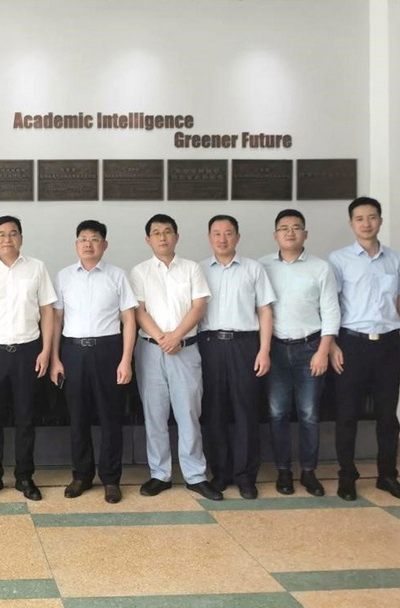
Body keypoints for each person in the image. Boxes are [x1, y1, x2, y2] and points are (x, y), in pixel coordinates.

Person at [329, 197, 400, 502]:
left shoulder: (397, 259)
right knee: (347, 414)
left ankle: (387, 476)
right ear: (351, 223)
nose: (366, 223)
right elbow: (331, 304)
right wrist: (332, 344)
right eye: (359, 218)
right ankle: (347, 476)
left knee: (387, 415)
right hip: (351, 344)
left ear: (380, 220)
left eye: (372, 217)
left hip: (389, 345)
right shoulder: (338, 260)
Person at [129, 214, 221, 501]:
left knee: (188, 413)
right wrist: (162, 338)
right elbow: (139, 311)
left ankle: (195, 475)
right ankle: (160, 474)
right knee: (154, 414)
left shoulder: (192, 268)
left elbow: (198, 307)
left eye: (167, 231)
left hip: (186, 349)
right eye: (156, 233)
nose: (162, 237)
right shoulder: (139, 271)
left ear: (176, 237)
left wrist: (176, 336)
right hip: (150, 350)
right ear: (148, 240)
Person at [0, 216, 57, 501]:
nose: (7, 239)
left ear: (21, 238)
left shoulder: (37, 268)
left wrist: (46, 350)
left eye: (13, 233)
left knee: (26, 418)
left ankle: (24, 477)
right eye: (1, 234)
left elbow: (47, 311)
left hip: (28, 351)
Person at [50, 220, 137, 504]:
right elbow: (56, 319)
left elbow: (129, 320)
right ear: (76, 244)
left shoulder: (117, 275)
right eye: (83, 239)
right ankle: (81, 476)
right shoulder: (63, 276)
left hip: (108, 351)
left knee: (111, 417)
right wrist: (55, 359)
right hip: (73, 352)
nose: (88, 244)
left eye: (95, 238)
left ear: (104, 244)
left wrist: (126, 360)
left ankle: (111, 479)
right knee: (78, 417)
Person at [259, 209, 339, 497]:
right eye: (284, 228)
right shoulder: (262, 266)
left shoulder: (321, 268)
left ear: (305, 234)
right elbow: (259, 310)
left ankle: (308, 471)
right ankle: (283, 471)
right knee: (277, 413)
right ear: (275, 235)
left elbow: (331, 311)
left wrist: (323, 350)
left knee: (309, 414)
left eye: (296, 227)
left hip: (310, 349)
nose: (290, 232)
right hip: (276, 350)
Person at [198, 215, 276, 500]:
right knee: (214, 411)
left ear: (237, 237)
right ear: (209, 238)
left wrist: (264, 350)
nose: (222, 239)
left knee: (246, 411)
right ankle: (220, 473)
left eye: (228, 233)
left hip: (245, 345)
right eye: (217, 233)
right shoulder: (198, 270)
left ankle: (245, 476)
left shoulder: (253, 269)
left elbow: (265, 310)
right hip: (209, 345)